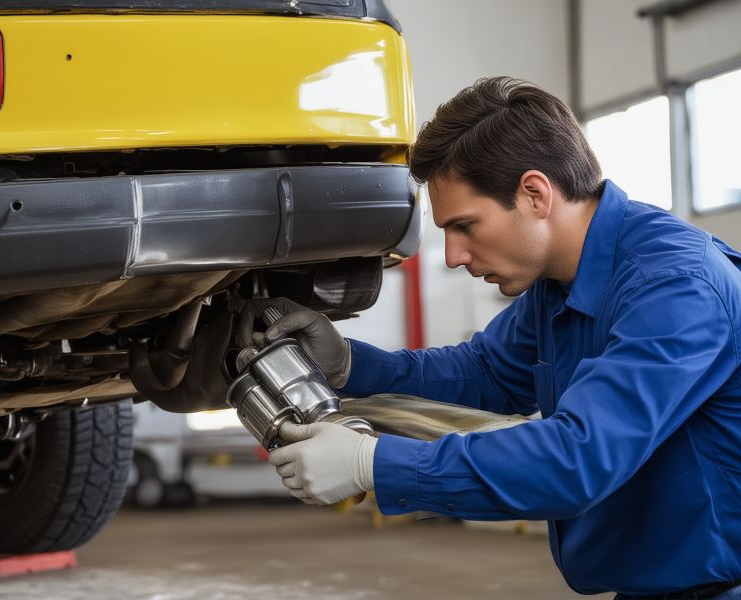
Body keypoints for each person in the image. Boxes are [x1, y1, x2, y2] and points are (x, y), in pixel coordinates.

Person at [236, 77, 741, 599]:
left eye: (466, 226)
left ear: (535, 194)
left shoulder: (676, 288)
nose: (453, 255)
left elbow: (578, 459)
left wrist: (372, 463)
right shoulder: (558, 285)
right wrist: (346, 364)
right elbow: (487, 373)